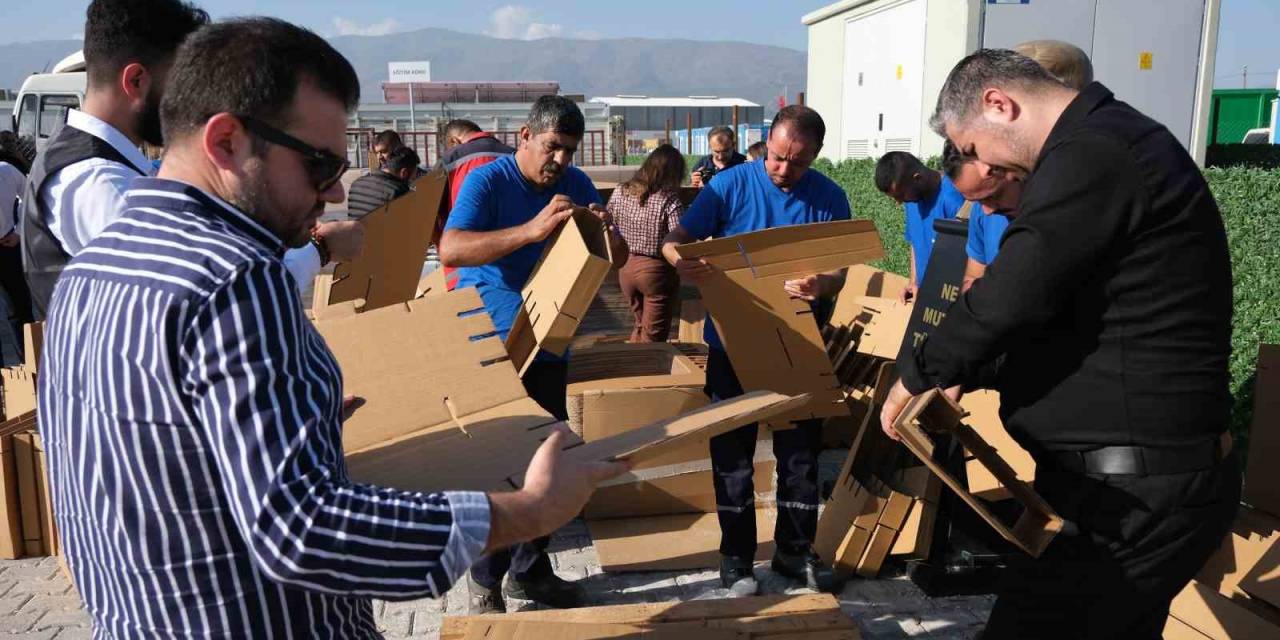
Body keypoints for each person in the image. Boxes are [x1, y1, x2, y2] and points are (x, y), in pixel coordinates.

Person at [39, 18, 626, 637]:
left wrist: (297, 422)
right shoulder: (236, 278)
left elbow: (148, 464)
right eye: (319, 165)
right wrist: (526, 511)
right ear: (228, 141)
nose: (333, 192)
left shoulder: (94, 265)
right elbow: (300, 529)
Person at [881, 49, 1239, 639]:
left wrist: (917, 371)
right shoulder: (1103, 149)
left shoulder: (1097, 153)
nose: (980, 168)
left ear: (999, 103)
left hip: (1132, 499)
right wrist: (973, 370)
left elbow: (1014, 290)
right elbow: (1061, 318)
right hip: (1116, 490)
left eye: (971, 149)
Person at [20, 0, 361, 321]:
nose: (193, 101)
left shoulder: (99, 166)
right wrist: (321, 248)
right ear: (136, 81)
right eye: (182, 83)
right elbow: (216, 300)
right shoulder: (97, 181)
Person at [439, 95, 629, 613]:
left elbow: (621, 258)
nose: (561, 162)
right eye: (552, 148)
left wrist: (608, 235)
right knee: (500, 465)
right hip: (496, 341)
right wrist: (532, 230)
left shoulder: (577, 184)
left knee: (552, 456)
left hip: (552, 337)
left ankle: (529, 572)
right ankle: (484, 584)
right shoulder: (489, 179)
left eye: (570, 151)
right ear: (525, 137)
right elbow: (452, 248)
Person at [660, 105, 848, 597]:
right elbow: (674, 240)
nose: (785, 170)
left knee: (801, 459)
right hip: (732, 346)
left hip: (799, 346)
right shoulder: (728, 186)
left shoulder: (830, 198)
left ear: (816, 156)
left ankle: (793, 552)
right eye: (779, 158)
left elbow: (842, 272)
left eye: (799, 163)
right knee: (733, 457)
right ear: (768, 141)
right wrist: (682, 260)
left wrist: (821, 283)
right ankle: (736, 559)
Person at [607, 144, 685, 342]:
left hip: (625, 268)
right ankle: (649, 371)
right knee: (654, 337)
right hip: (656, 272)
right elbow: (679, 238)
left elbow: (607, 221)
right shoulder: (669, 200)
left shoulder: (620, 191)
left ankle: (633, 368)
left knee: (640, 326)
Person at [874, 151, 966, 304]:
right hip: (924, 298)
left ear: (917, 178)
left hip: (948, 301)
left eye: (901, 195)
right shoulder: (912, 201)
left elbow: (964, 259)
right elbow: (915, 244)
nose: (899, 202)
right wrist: (914, 284)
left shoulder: (953, 199)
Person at [438, 118, 516, 290]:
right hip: (510, 265)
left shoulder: (450, 160)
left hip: (464, 268)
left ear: (454, 141)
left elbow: (432, 213)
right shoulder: (514, 155)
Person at [940, 140, 1015, 293]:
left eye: (993, 196)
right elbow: (973, 275)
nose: (987, 211)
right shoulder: (980, 212)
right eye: (977, 201)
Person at [0, 132, 30, 365]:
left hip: (7, 248)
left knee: (21, 310)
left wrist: (19, 231)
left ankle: (30, 366)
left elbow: (29, 196)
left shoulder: (7, 172)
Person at [347, 145, 420, 218]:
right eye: (413, 176)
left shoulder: (356, 184)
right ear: (404, 173)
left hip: (355, 229)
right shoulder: (399, 191)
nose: (413, 180)